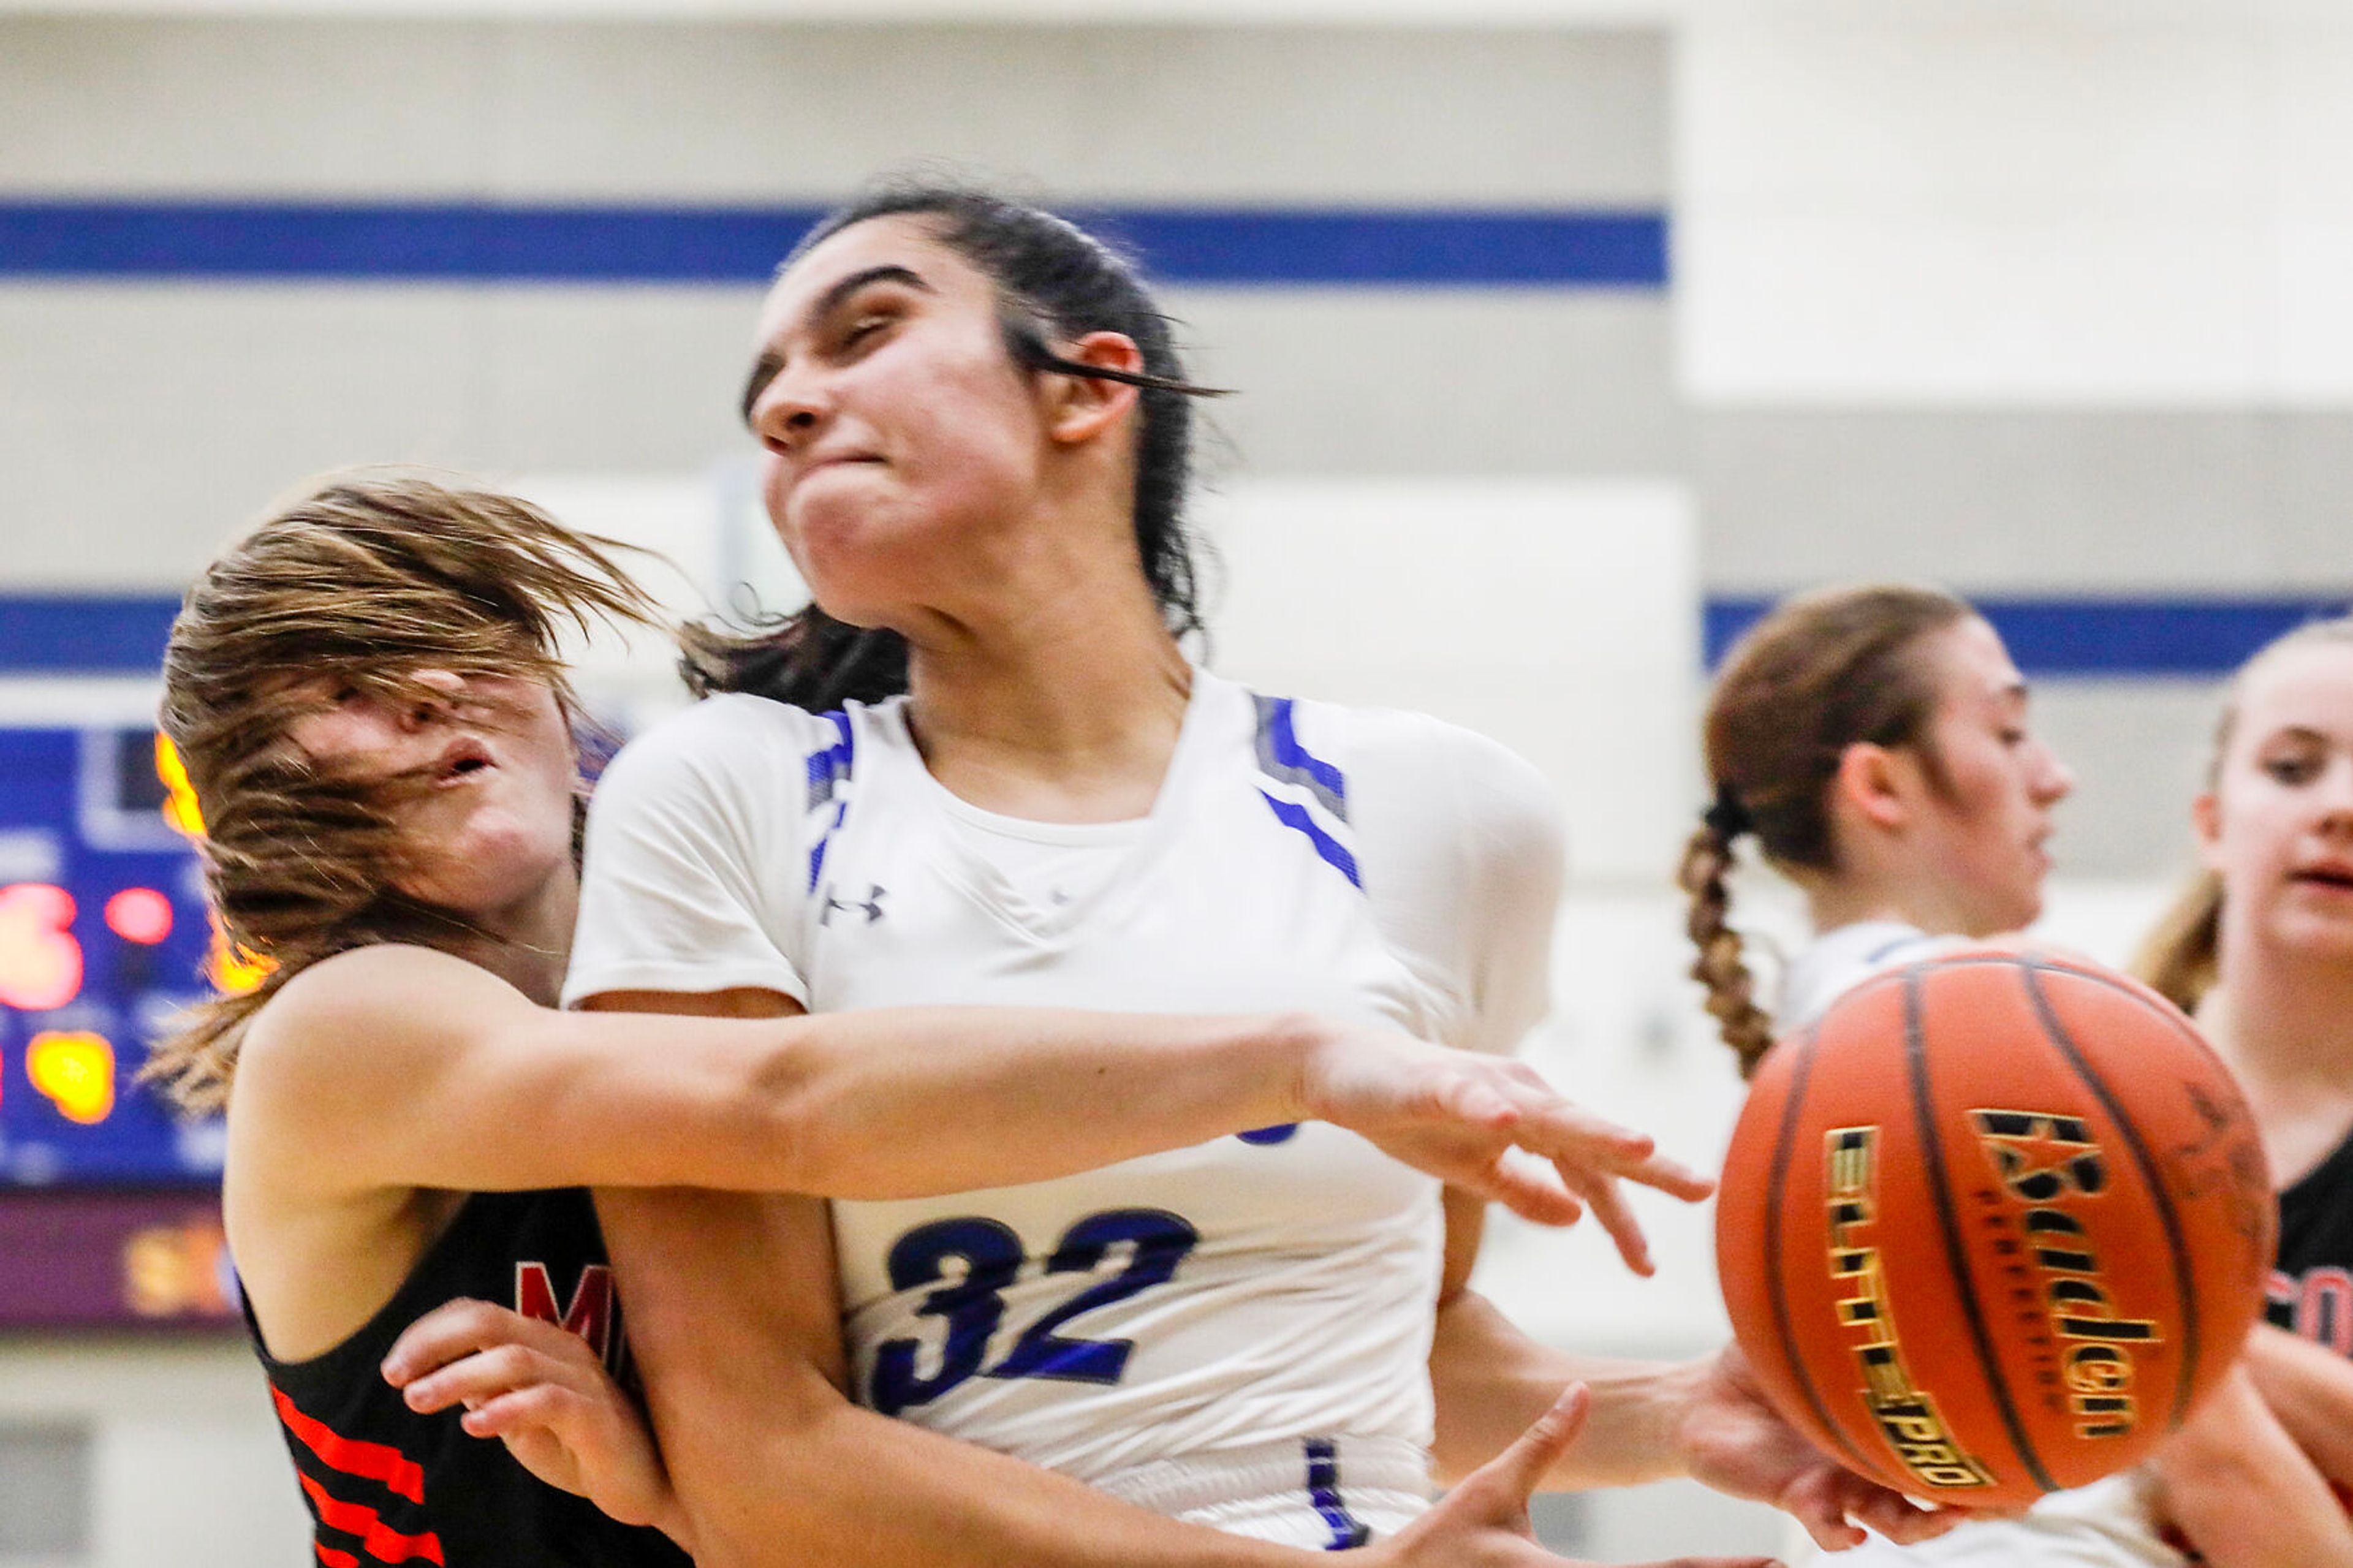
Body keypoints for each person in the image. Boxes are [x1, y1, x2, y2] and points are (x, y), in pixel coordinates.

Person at [562, 178, 1963, 1567]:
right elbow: (755, 1471)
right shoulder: (719, 791)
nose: (785, 406)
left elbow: (1398, 1339)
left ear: (1087, 389)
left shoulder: (1446, 813)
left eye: (863, 333)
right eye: (770, 385)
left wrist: (1682, 1412)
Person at [156, 472, 1736, 1568]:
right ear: (252, 795)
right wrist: (1304, 1057)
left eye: (455, 638)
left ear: (563, 700)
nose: (429, 691)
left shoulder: (771, 966)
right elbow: (777, 1102)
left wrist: (1701, 1415)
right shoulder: (354, 1025)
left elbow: (813, 1499)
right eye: (346, 683)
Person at [1680, 585, 2353, 1564]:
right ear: (1880, 790)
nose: (2055, 778)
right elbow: (2214, 1445)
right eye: (2009, 734)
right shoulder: (1951, 1038)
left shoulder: (1847, 1028)